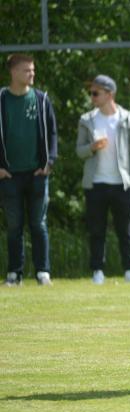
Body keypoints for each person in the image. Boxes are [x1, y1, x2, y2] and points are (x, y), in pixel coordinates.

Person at [75, 75, 130, 285]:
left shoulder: (128, 119)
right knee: (96, 230)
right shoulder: (87, 120)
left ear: (110, 94)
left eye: (96, 93)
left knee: (126, 230)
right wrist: (92, 148)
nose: (92, 96)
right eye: (91, 93)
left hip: (122, 184)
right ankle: (97, 271)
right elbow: (79, 151)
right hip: (95, 184)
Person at [0, 54, 57, 287]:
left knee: (38, 224)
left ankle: (43, 272)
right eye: (26, 71)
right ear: (13, 72)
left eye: (32, 70)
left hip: (37, 174)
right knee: (14, 226)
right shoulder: (1, 99)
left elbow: (53, 133)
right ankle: (15, 273)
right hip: (8, 175)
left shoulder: (42, 100)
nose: (31, 74)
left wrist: (49, 162)